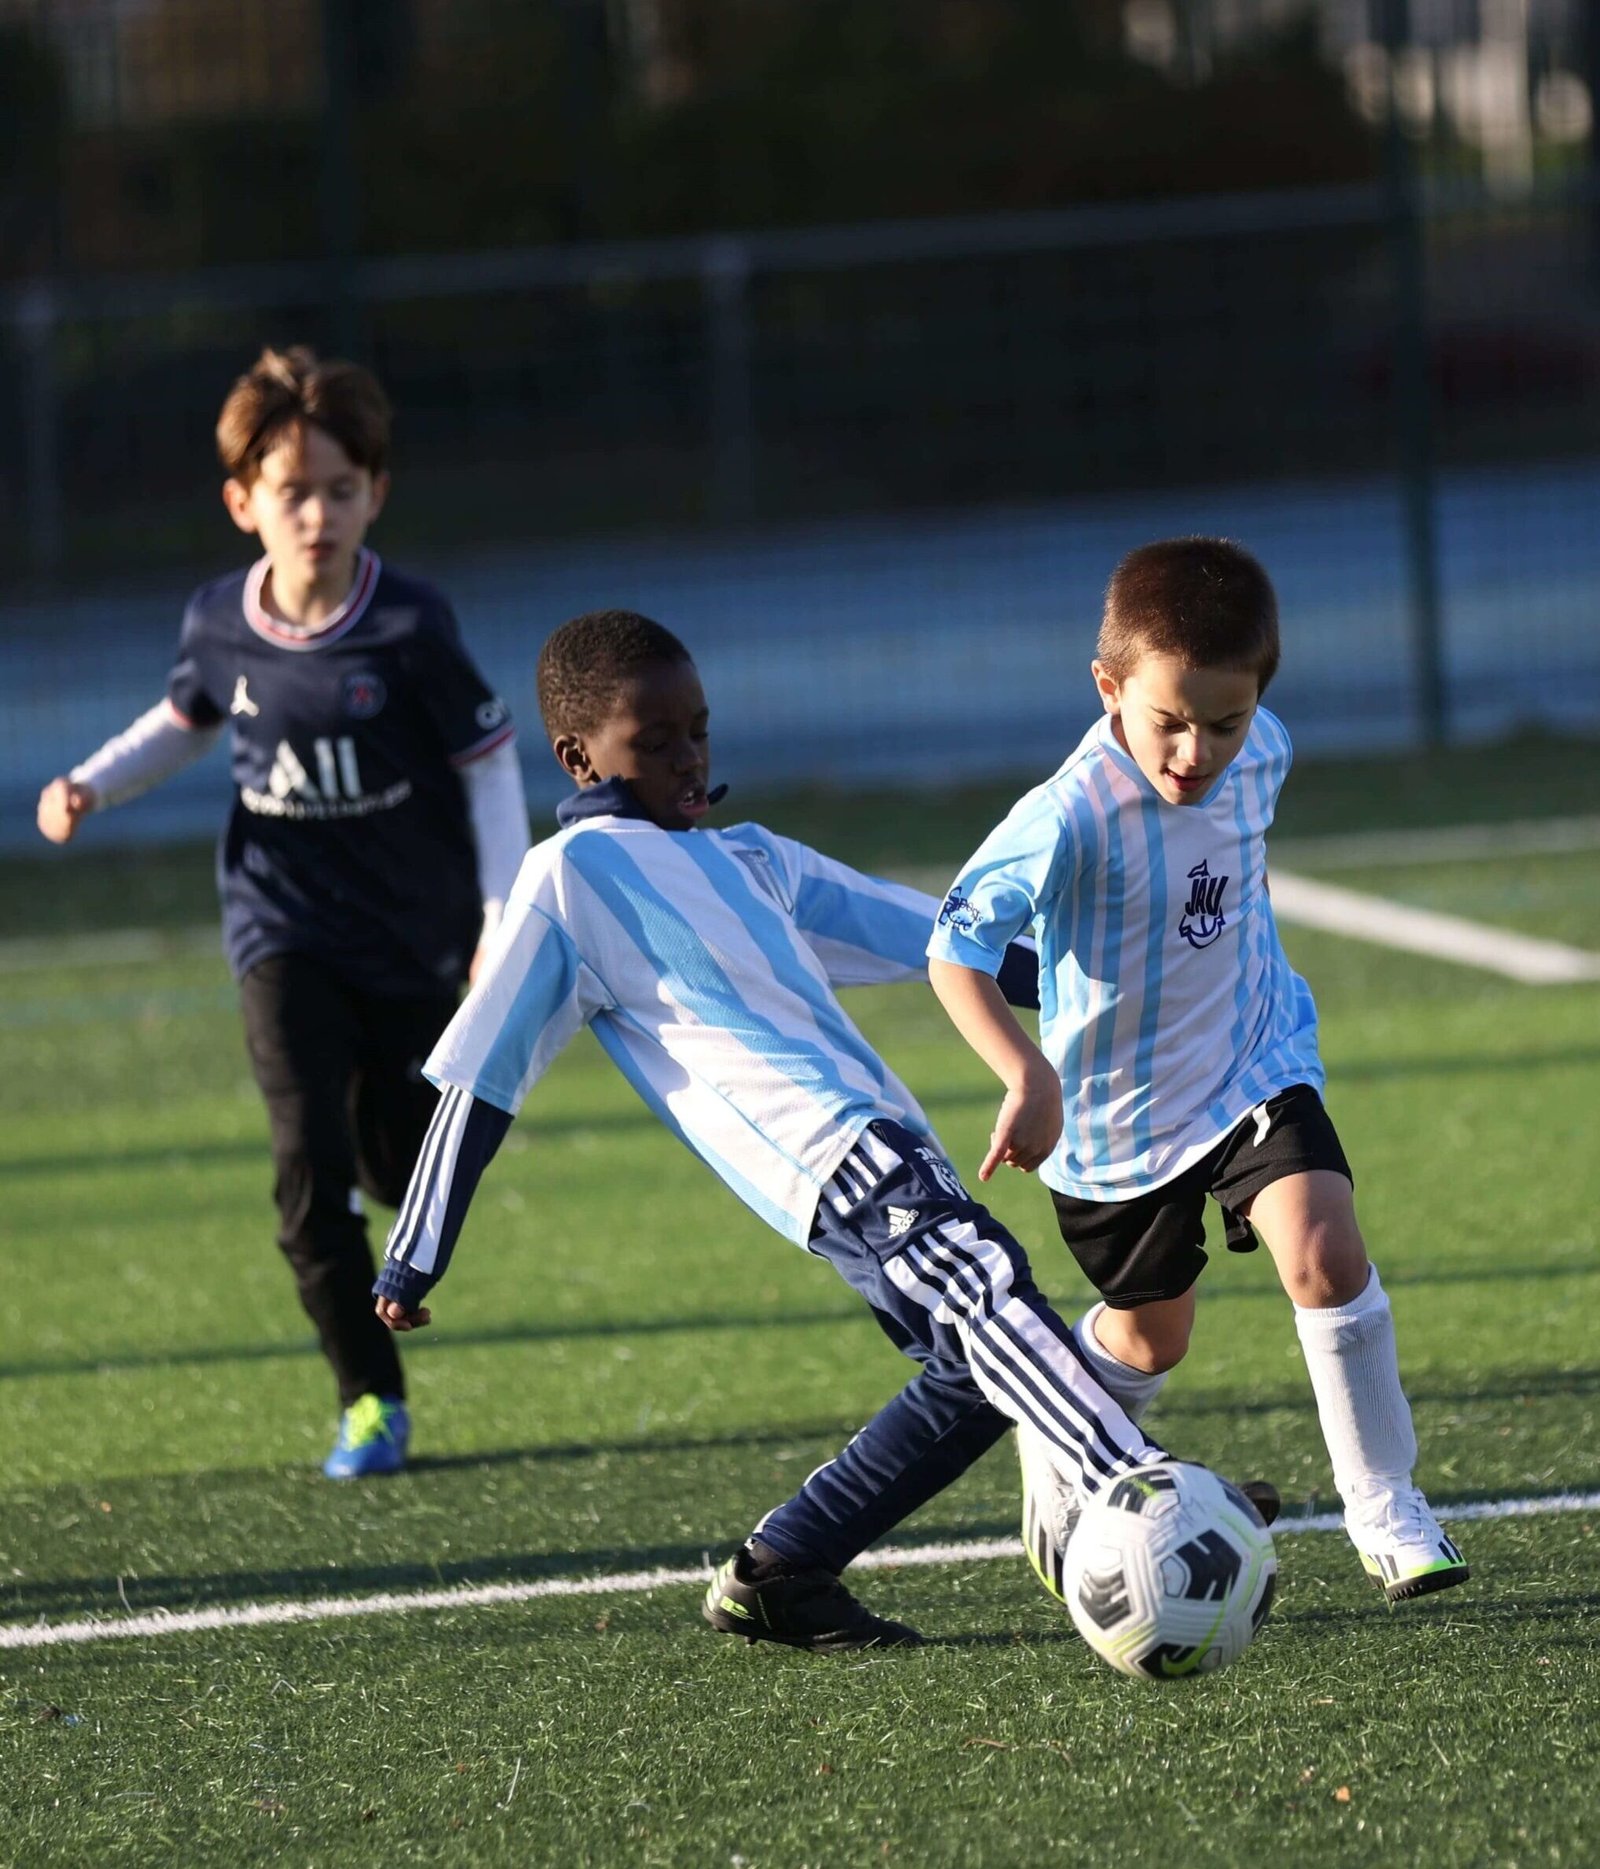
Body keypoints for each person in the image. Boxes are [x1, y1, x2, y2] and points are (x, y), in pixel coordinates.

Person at [372, 609, 1277, 1652]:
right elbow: (478, 1082)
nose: (688, 757)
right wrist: (413, 1252)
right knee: (987, 1291)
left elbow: (928, 934)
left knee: (972, 1369)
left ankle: (783, 1569)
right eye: (653, 741)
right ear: (578, 755)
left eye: (698, 731)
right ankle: (1142, 1490)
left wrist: (1099, 991)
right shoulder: (568, 881)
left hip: (888, 1148)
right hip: (831, 1156)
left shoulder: (749, 858)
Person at [925, 535, 1468, 1605]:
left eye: (1223, 722)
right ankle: (1063, 1417)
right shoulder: (1065, 815)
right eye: (1168, 721)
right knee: (1148, 1337)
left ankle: (1386, 1507)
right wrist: (1023, 1071)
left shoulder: (1262, 752)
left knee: (1321, 1251)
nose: (1196, 751)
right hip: (1114, 1121)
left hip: (1252, 1063)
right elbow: (954, 949)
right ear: (1109, 685)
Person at [36, 345, 530, 1480]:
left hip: (414, 939)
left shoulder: (408, 624)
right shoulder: (220, 620)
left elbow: (489, 765)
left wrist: (502, 920)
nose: (316, 514)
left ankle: (392, 1187)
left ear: (377, 495)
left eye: (340, 490)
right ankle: (369, 1400)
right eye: (292, 492)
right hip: (281, 930)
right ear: (242, 501)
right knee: (305, 1177)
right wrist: (91, 784)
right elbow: (186, 718)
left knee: (404, 1178)